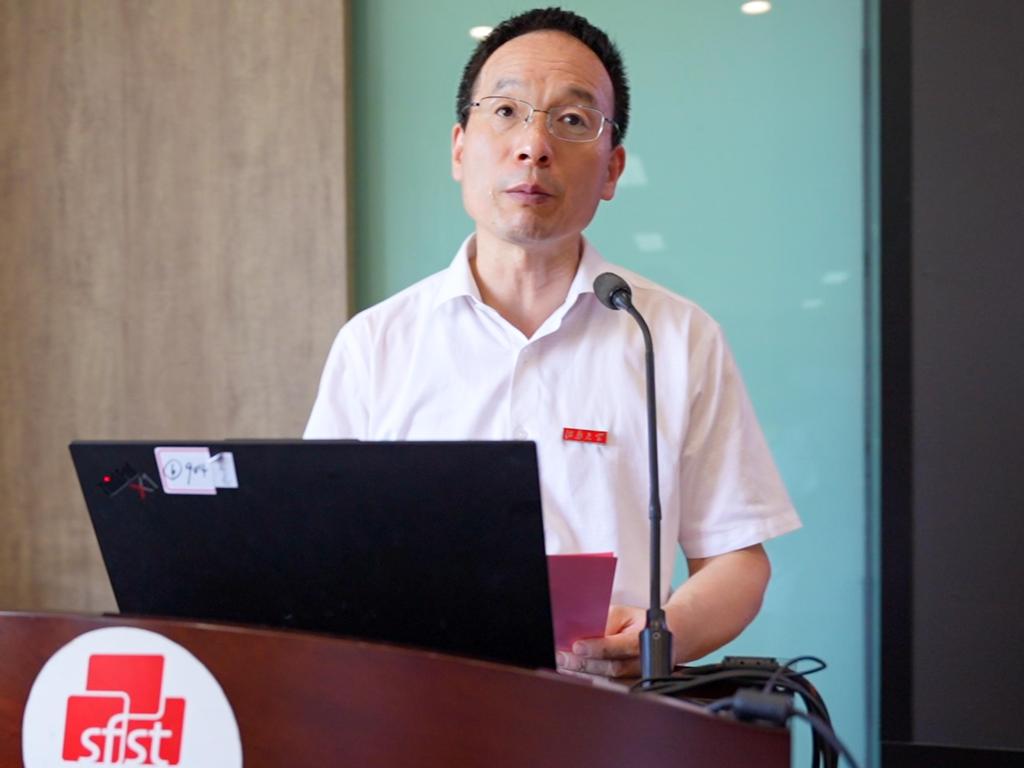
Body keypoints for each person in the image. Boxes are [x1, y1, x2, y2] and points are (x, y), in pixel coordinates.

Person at [305, 7, 800, 677]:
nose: (533, 146)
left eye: (571, 120)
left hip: (607, 713)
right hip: (418, 708)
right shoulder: (375, 344)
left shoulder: (672, 337)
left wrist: (661, 638)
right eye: (506, 111)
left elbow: (738, 559)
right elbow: (321, 554)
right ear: (459, 149)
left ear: (612, 169)